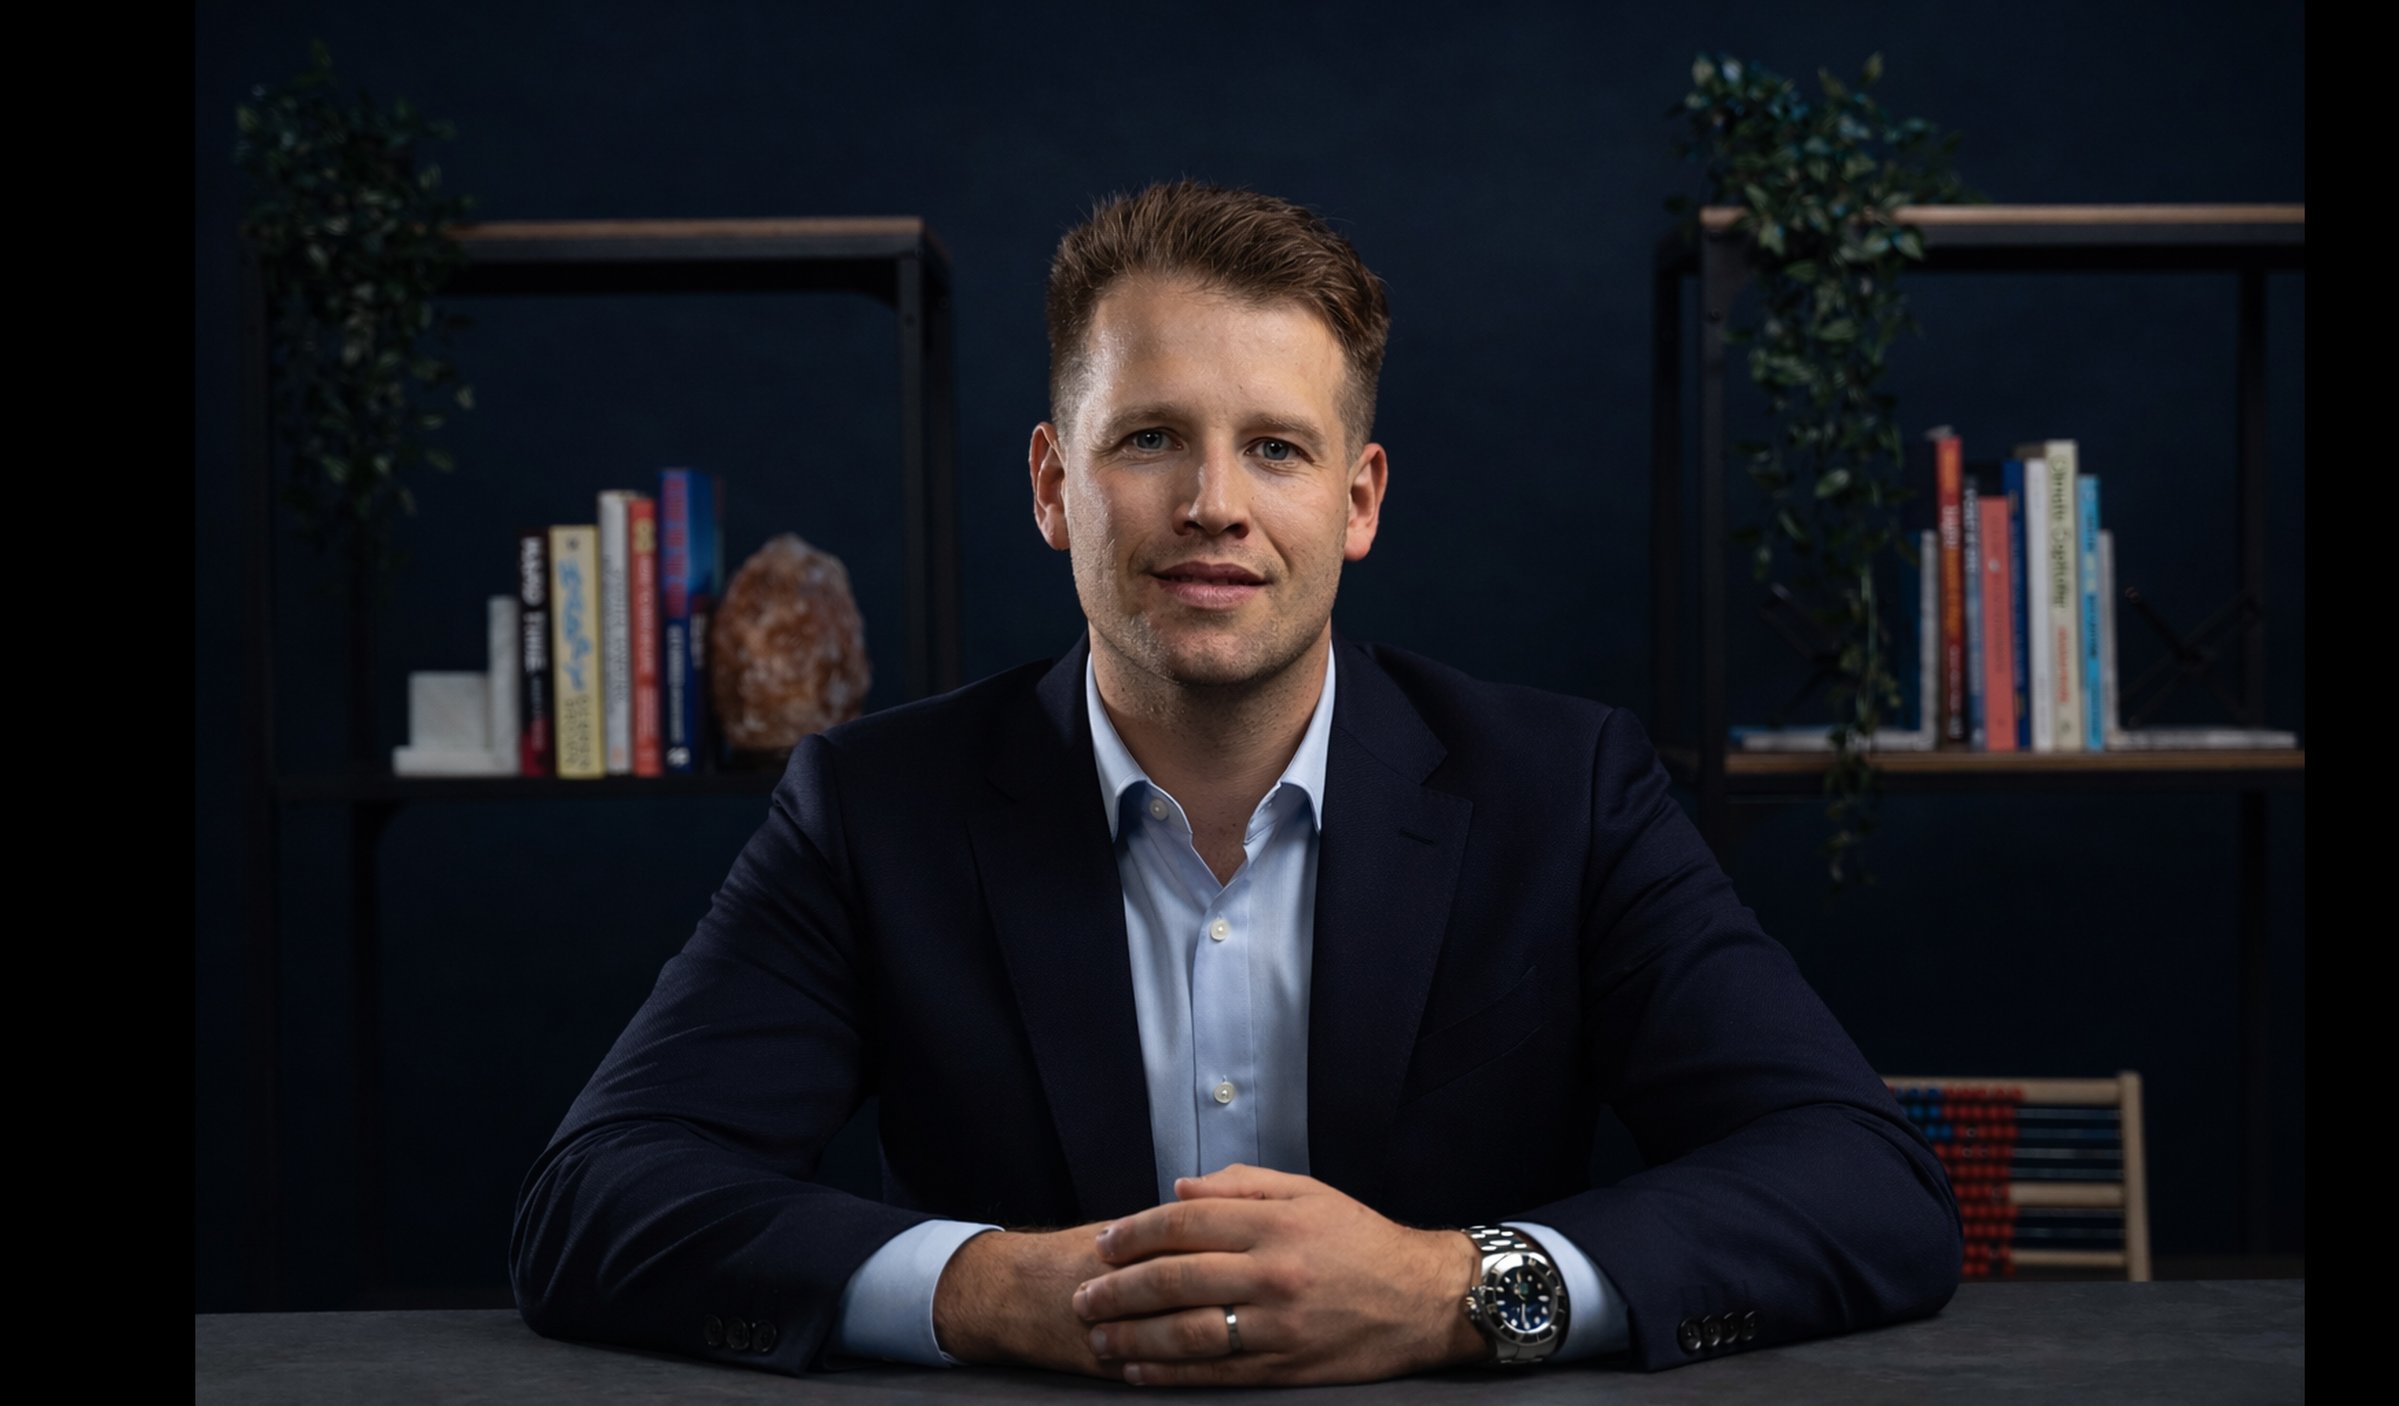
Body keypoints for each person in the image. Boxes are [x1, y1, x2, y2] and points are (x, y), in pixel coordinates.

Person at [510, 180, 1961, 1385]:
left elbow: (1862, 1177)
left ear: (1358, 499)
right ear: (1050, 484)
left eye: (1275, 446)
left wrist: (1454, 1287)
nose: (1214, 502)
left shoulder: (1565, 790)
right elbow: (599, 1197)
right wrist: (989, 1286)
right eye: (1150, 439)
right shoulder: (873, 809)